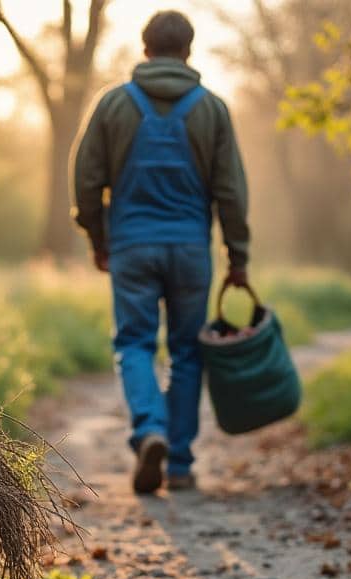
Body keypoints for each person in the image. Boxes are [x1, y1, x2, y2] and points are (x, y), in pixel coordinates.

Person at [72, 9, 251, 495]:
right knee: (188, 351)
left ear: (145, 49)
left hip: (131, 246)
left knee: (134, 343)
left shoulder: (113, 104)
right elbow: (231, 191)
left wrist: (97, 239)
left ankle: (149, 430)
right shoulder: (212, 107)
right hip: (191, 249)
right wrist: (238, 258)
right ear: (189, 52)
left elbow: (87, 181)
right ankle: (178, 463)